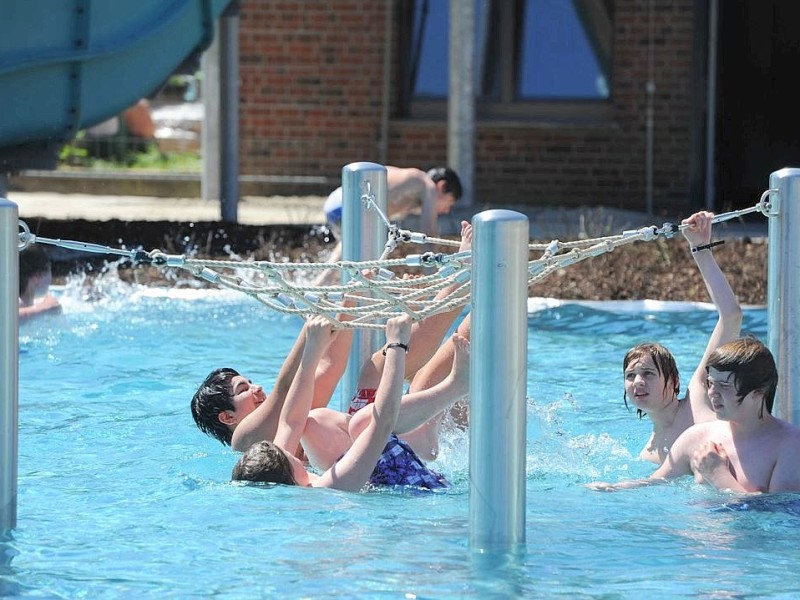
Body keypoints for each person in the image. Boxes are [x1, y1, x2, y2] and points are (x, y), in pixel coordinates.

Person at [191, 221, 473, 458]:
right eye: (243, 389)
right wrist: (313, 323)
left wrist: (353, 296)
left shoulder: (287, 422)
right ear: (227, 417)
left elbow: (328, 366)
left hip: (361, 443)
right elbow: (285, 388)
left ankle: (470, 282)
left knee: (376, 367)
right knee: (422, 383)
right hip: (370, 460)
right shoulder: (244, 441)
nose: (256, 387)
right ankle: (471, 282)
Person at [231, 313, 470, 491]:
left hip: (384, 480)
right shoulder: (333, 485)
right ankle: (456, 386)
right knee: (365, 421)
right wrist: (397, 344)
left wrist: (313, 348)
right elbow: (383, 421)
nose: (293, 453)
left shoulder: (289, 477)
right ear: (290, 478)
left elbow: (291, 420)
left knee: (314, 422)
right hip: (422, 490)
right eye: (289, 458)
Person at [589, 336, 800, 493]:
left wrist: (719, 477)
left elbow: (778, 519)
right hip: (692, 549)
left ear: (758, 394)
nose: (712, 393)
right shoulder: (697, 437)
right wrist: (612, 489)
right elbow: (654, 483)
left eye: (724, 386)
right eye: (710, 383)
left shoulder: (789, 447)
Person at [621, 210, 742, 465]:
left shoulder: (698, 395)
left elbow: (731, 315)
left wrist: (700, 247)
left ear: (675, 381)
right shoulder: (648, 456)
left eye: (648, 373)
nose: (638, 382)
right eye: (630, 376)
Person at [320, 166, 463, 267]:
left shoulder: (412, 186)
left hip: (336, 202)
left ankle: (318, 284)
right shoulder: (427, 185)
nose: (446, 210)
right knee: (368, 260)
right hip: (347, 204)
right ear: (442, 186)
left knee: (350, 255)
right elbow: (428, 237)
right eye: (449, 202)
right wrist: (433, 283)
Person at [18, 244, 62, 323]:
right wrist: (44, 308)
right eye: (49, 270)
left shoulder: (29, 302)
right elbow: (5, 320)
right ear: (37, 277)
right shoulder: (17, 303)